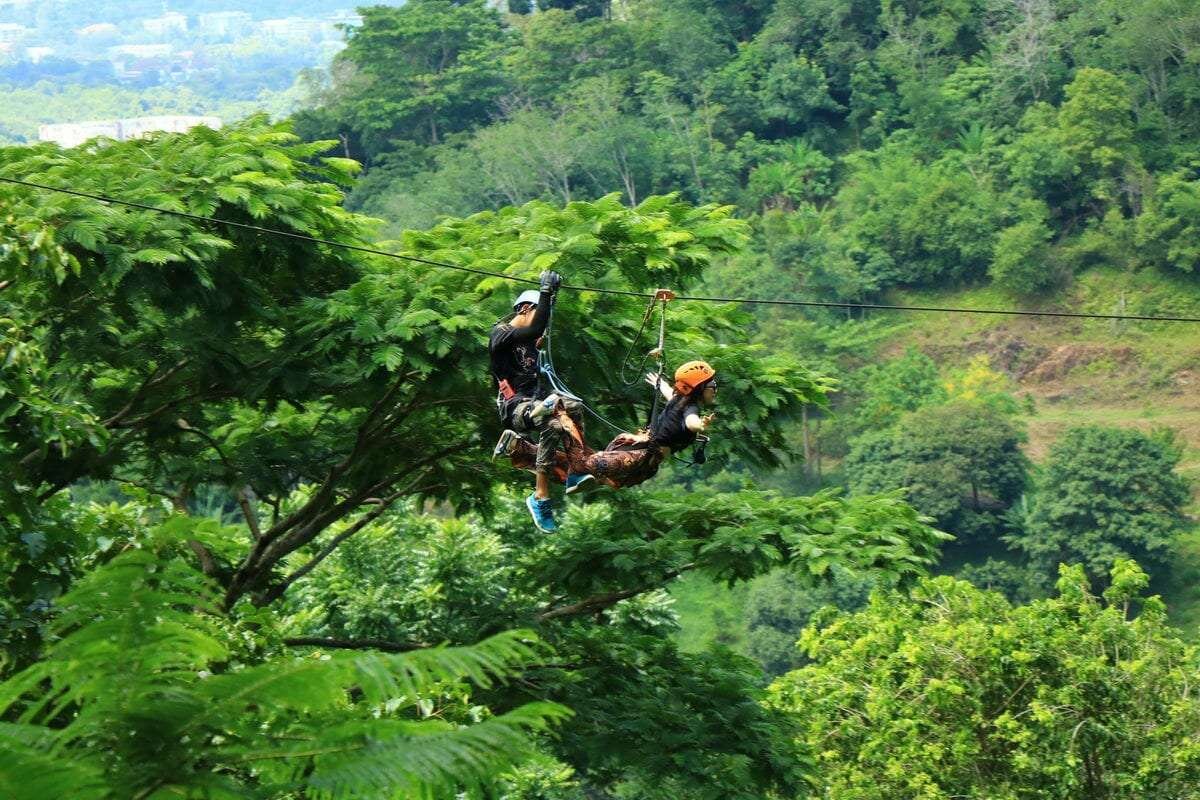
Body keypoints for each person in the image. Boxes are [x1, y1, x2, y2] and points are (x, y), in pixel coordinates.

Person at [502, 360, 717, 490]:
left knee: (588, 475)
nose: (715, 389)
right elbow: (691, 423)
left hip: (643, 460)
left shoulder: (679, 401)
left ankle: (517, 448)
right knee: (585, 467)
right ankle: (557, 410)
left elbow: (671, 394)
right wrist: (701, 425)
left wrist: (660, 385)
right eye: (712, 385)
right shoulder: (691, 410)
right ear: (699, 389)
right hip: (638, 456)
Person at [489, 270, 594, 532]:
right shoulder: (500, 334)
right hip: (514, 408)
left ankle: (573, 471)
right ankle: (540, 496)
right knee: (552, 414)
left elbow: (537, 326)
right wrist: (545, 290)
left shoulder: (532, 344)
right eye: (538, 316)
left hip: (536, 406)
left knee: (572, 406)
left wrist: (551, 298)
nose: (542, 330)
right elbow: (535, 326)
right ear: (524, 309)